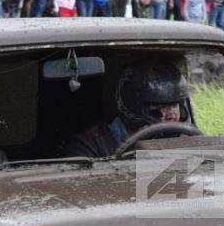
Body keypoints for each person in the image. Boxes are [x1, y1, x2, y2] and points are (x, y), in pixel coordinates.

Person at [65, 60, 194, 158]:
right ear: (133, 106)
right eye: (161, 106)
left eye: (174, 105)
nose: (172, 115)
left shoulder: (185, 139)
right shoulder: (92, 146)